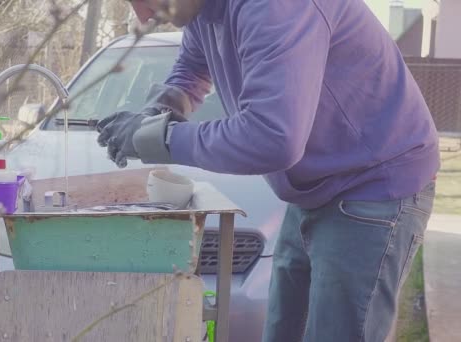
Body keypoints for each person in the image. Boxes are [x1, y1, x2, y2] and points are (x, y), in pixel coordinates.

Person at [95, 0, 440, 341]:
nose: (142, 15)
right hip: (314, 187)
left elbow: (273, 137)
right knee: (282, 332)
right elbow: (191, 69)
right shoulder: (202, 11)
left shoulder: (276, 6)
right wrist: (156, 112)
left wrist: (163, 138)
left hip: (373, 183)